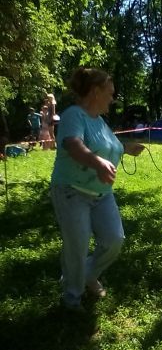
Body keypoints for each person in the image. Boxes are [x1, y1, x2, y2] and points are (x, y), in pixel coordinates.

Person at [50, 66, 145, 311]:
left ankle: (87, 274)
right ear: (95, 91)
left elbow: (107, 146)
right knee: (77, 245)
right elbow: (73, 144)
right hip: (72, 191)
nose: (113, 99)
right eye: (110, 93)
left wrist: (125, 148)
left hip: (102, 194)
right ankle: (72, 297)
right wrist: (98, 162)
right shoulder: (74, 115)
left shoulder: (100, 121)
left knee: (114, 240)